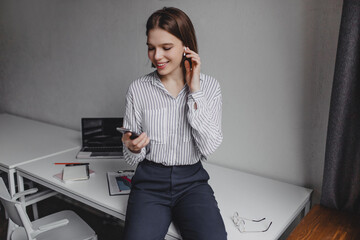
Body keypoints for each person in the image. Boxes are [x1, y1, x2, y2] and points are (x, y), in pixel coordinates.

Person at [121, 7, 227, 240]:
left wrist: (195, 90)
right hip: (149, 183)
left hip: (192, 183)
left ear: (186, 46)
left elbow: (209, 147)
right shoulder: (138, 89)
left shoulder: (210, 88)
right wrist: (132, 147)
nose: (157, 56)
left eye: (166, 48)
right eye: (151, 48)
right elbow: (131, 155)